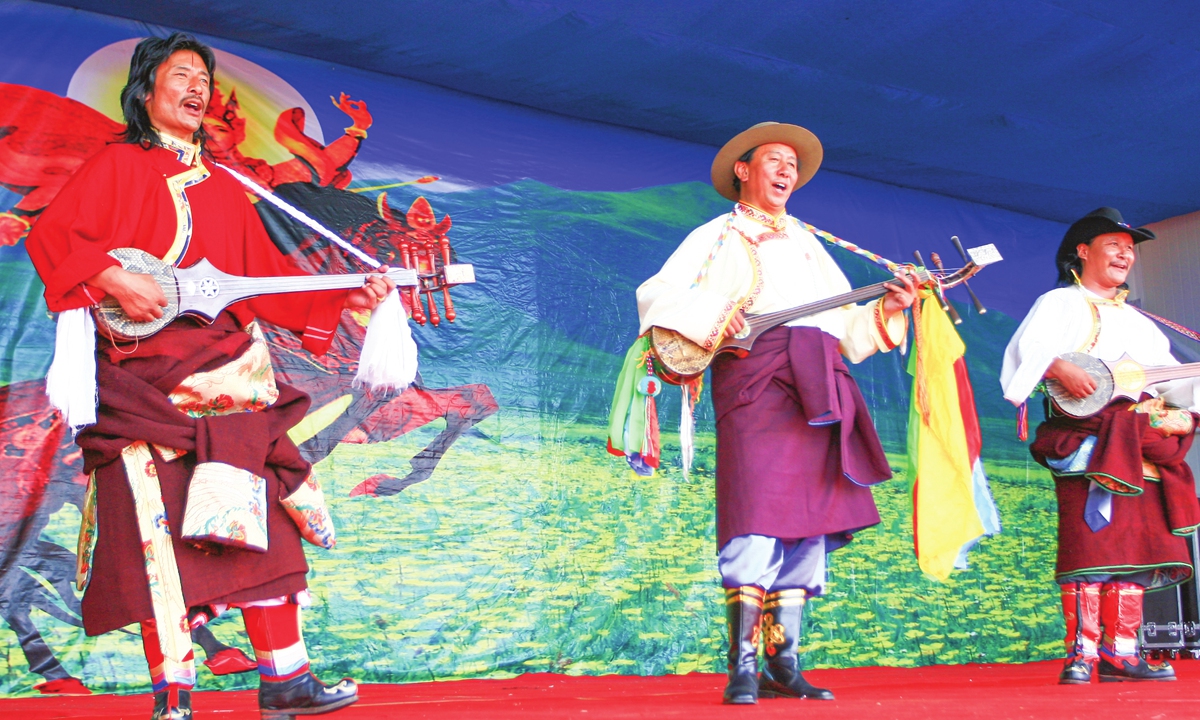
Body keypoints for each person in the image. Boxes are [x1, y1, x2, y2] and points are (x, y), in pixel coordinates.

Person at [25, 33, 395, 719]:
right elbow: (53, 238)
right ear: (146, 91)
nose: (198, 87)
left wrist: (344, 297)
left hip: (232, 381)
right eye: (182, 75)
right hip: (145, 383)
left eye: (204, 77)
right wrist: (112, 278)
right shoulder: (116, 164)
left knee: (264, 522)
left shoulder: (227, 184)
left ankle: (286, 680)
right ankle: (174, 694)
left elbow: (265, 278)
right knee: (156, 534)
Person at [636, 122, 916, 704]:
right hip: (755, 380)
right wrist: (718, 312)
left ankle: (783, 662)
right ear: (743, 170)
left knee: (809, 519)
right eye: (774, 159)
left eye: (793, 163)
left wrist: (891, 306)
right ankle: (742, 666)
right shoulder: (716, 235)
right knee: (757, 511)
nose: (787, 170)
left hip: (819, 381)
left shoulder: (809, 241)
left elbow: (846, 328)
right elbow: (658, 295)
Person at [1001, 207, 1200, 684]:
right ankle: (1082, 654)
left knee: (1138, 550)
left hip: (1137, 444)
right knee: (1090, 547)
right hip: (1089, 442)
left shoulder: (1138, 320)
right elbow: (1027, 352)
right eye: (1114, 245)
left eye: (1129, 250)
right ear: (1083, 251)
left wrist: (1182, 411)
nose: (1125, 255)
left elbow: (1171, 382)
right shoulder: (1059, 302)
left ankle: (1122, 652)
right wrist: (1056, 365)